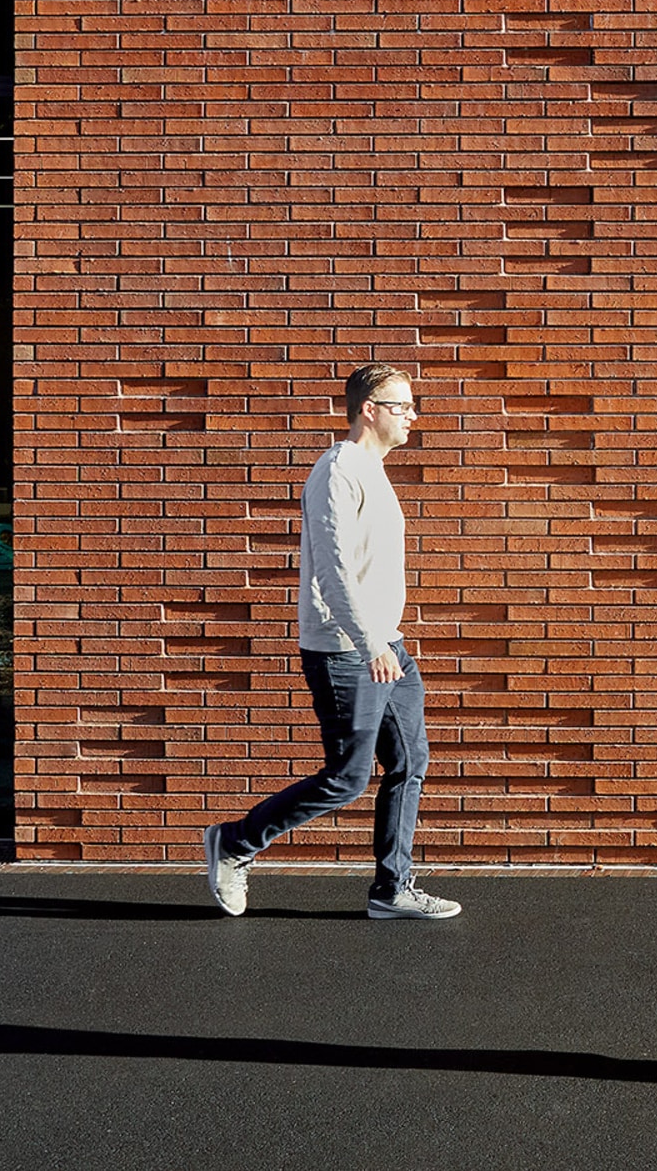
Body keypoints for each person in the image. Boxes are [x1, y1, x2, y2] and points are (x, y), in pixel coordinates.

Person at [203, 364, 460, 921]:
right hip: (350, 650)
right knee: (347, 778)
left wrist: (382, 639)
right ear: (369, 409)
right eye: (402, 406)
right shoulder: (339, 469)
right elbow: (334, 568)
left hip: (384, 644)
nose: (413, 416)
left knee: (410, 761)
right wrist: (370, 642)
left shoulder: (373, 469)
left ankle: (392, 890)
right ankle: (235, 843)